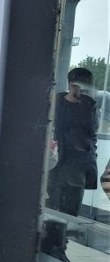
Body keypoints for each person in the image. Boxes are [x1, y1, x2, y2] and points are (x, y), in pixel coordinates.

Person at [46, 67, 98, 217]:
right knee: (52, 211)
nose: (84, 90)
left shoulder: (89, 106)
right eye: (81, 85)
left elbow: (91, 134)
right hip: (59, 165)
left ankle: (63, 238)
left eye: (88, 86)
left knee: (70, 214)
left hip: (78, 168)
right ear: (71, 84)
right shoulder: (58, 104)